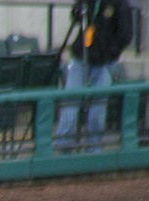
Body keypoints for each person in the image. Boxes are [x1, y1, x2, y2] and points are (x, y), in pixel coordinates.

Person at [54, 0, 134, 152]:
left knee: (98, 107)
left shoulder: (120, 4)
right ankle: (63, 146)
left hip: (104, 63)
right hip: (80, 58)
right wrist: (78, 11)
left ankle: (94, 148)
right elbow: (76, 16)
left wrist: (109, 53)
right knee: (71, 101)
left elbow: (125, 35)